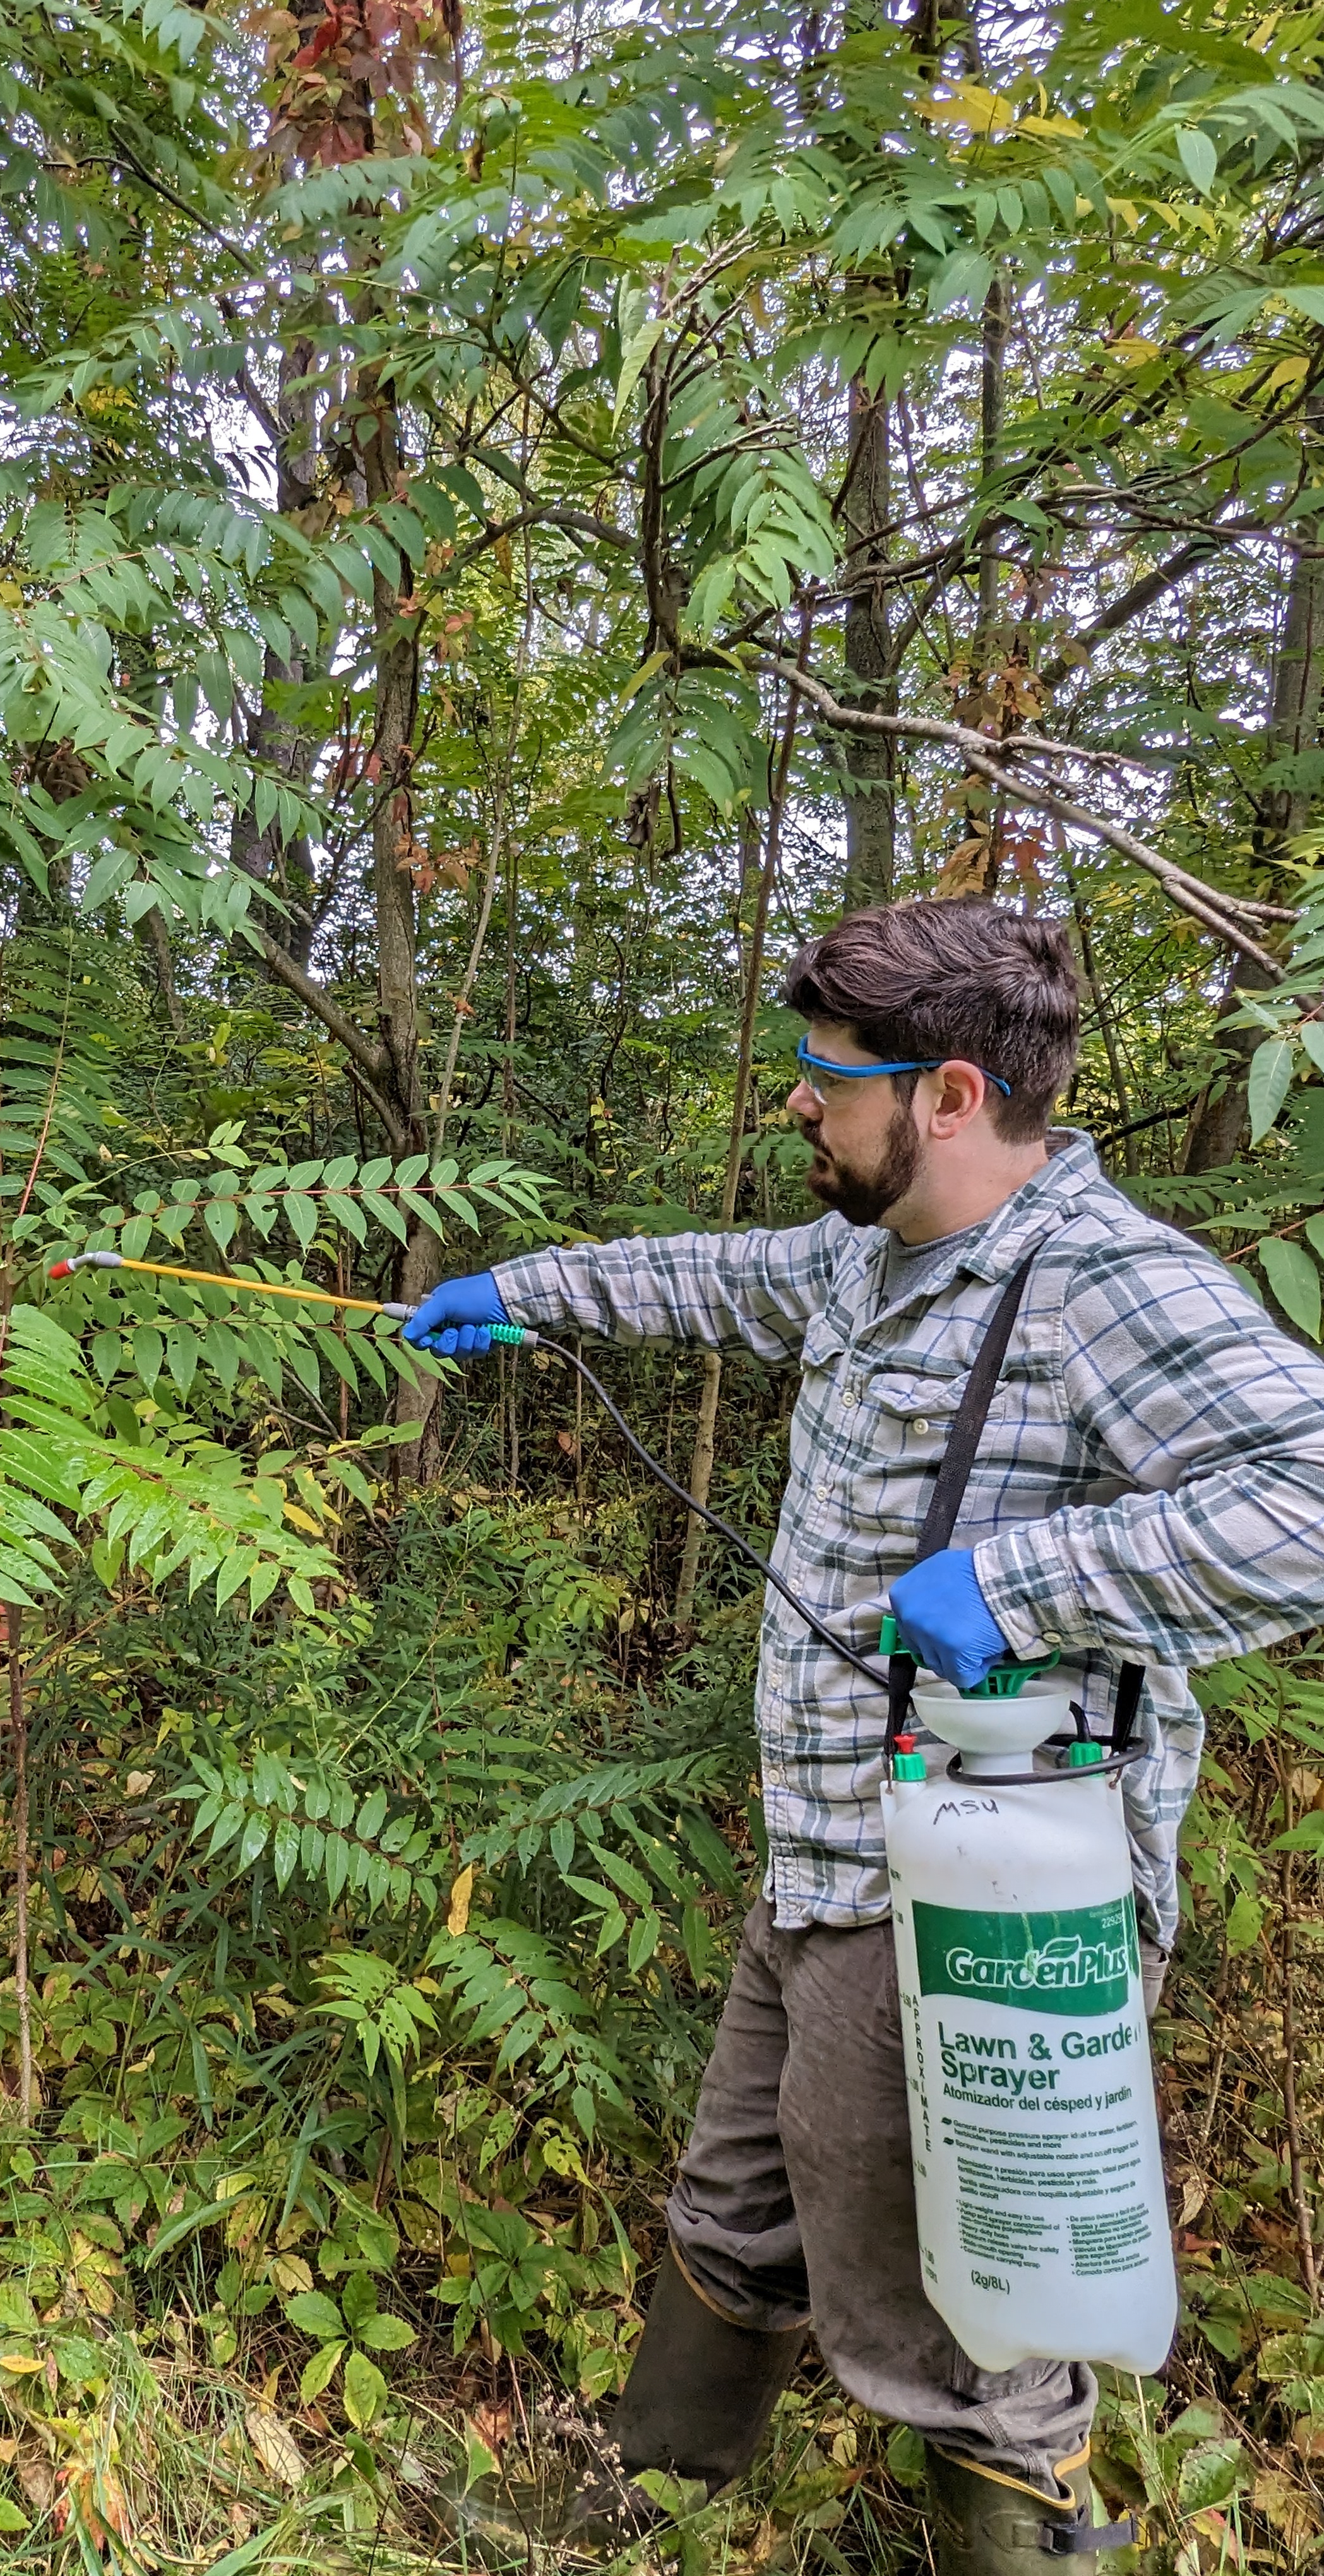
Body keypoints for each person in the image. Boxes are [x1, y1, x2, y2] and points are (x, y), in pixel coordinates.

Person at [405, 898, 1324, 2576]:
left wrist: (1031, 1577)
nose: (798, 1107)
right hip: (836, 1849)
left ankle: (1018, 2541)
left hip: (983, 1901)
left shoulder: (1100, 1285)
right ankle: (640, 2504)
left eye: (826, 1079)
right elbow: (719, 1277)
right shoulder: (873, 1247)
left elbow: (1311, 1501)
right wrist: (524, 1291)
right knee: (742, 2201)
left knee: (969, 2315)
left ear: (951, 1093)